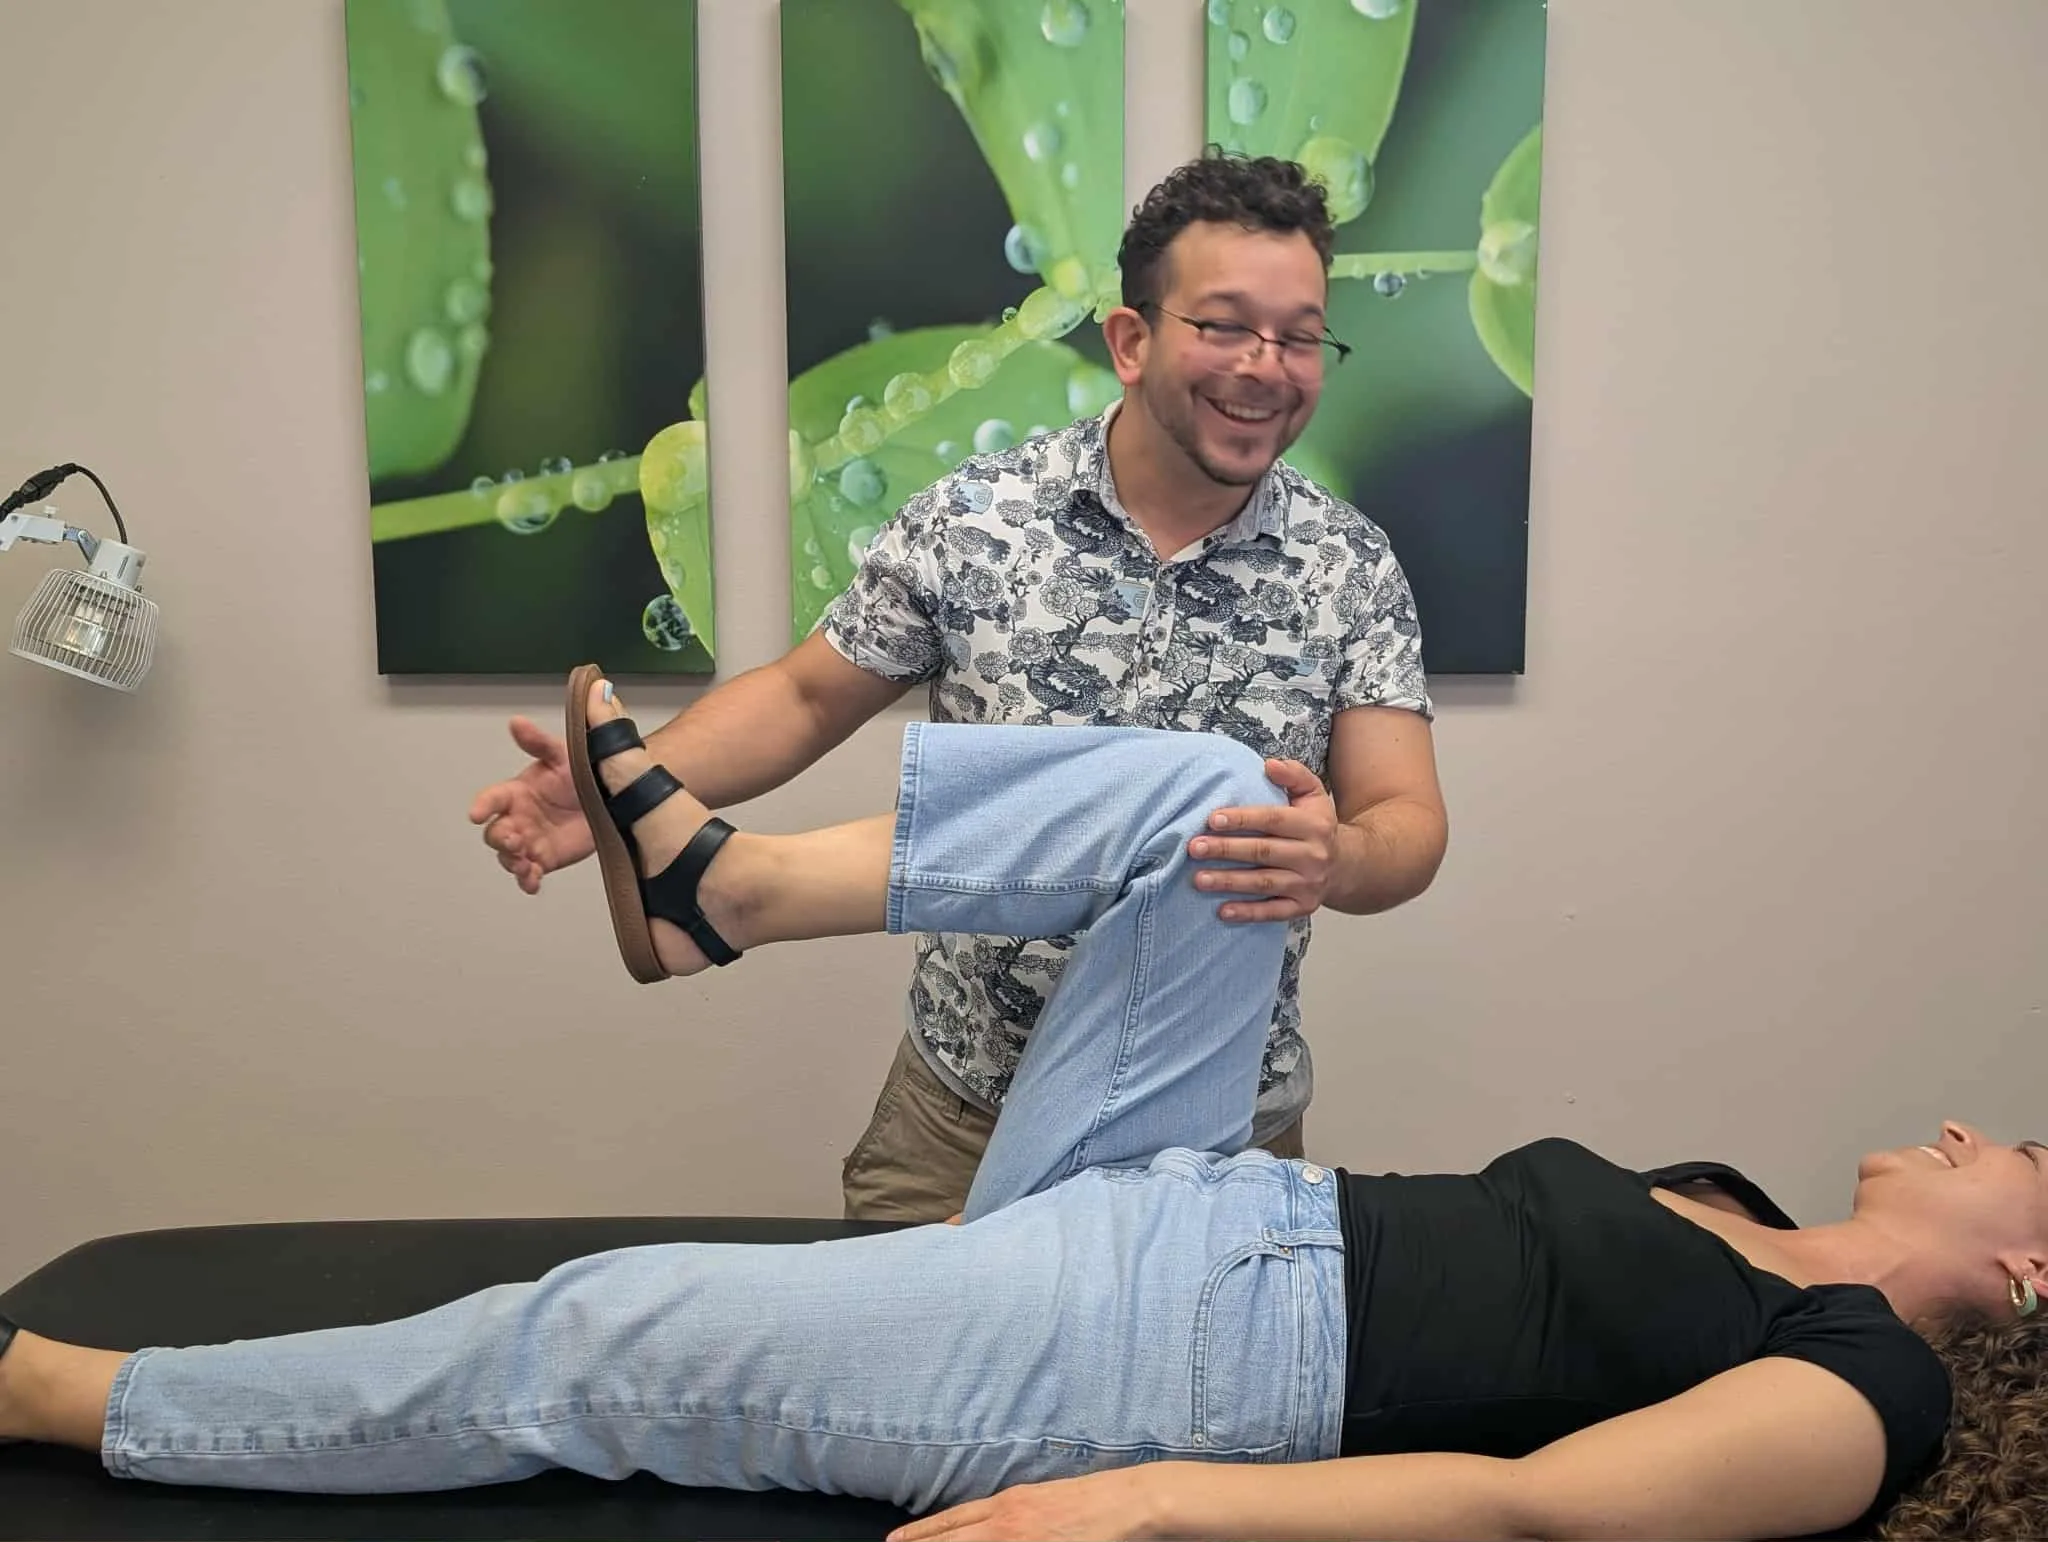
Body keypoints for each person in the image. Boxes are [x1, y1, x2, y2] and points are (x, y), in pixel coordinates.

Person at [4, 670, 2042, 1542]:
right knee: (1220, 797)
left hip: (1176, 1357)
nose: (1967, 1129)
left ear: (2029, 1274)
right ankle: (733, 893)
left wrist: (1153, 1503)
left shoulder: (1865, 1379)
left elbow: (1543, 1511)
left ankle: (77, 1395)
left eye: (2014, 1156)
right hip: (1187, 1188)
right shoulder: (1729, 1199)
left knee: (595, 1332)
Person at [467, 150, 1451, 1224]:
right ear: (1130, 341)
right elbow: (803, 700)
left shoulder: (1347, 564)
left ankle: (741, 890)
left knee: (1221, 789)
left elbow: (1405, 820)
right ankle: (725, 889)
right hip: (961, 1124)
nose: (1265, 365)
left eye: (1299, 336)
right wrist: (622, 792)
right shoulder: (981, 517)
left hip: (1215, 1138)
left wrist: (1338, 855)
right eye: (1223, 325)